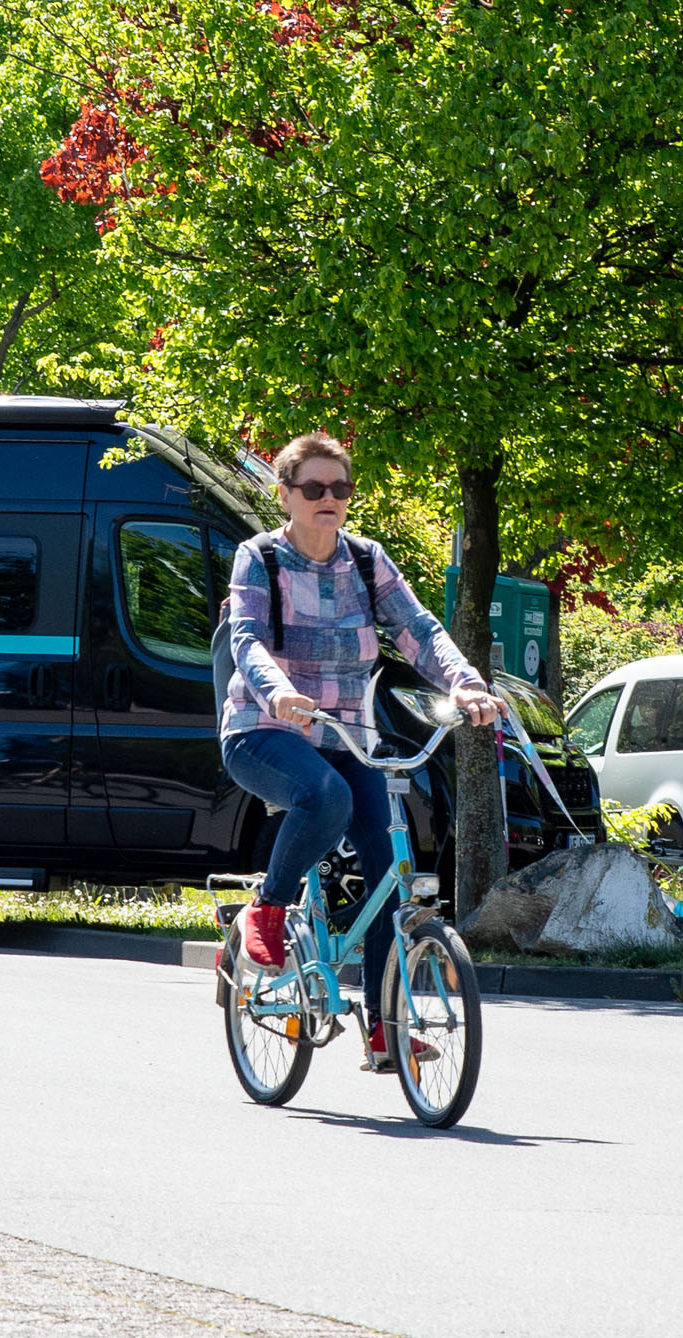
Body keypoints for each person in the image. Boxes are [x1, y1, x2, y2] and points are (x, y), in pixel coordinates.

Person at [219, 431, 504, 1065]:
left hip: (348, 733)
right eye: (313, 487)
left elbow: (419, 629)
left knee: (389, 864)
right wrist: (279, 691)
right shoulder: (259, 558)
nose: (329, 498)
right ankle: (269, 907)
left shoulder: (368, 561)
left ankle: (383, 1026)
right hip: (264, 729)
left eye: (340, 487)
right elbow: (246, 638)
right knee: (327, 796)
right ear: (285, 494)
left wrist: (465, 683)